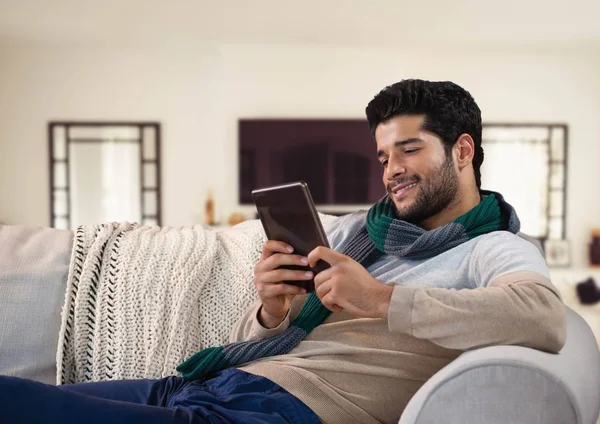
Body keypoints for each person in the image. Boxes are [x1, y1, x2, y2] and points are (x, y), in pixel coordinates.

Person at [0, 79, 566, 424]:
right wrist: (273, 307)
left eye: (409, 150)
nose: (391, 170)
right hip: (216, 382)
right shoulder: (354, 235)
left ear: (463, 151)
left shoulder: (493, 246)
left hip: (278, 411)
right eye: (383, 157)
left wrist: (382, 298)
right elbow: (277, 329)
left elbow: (541, 318)